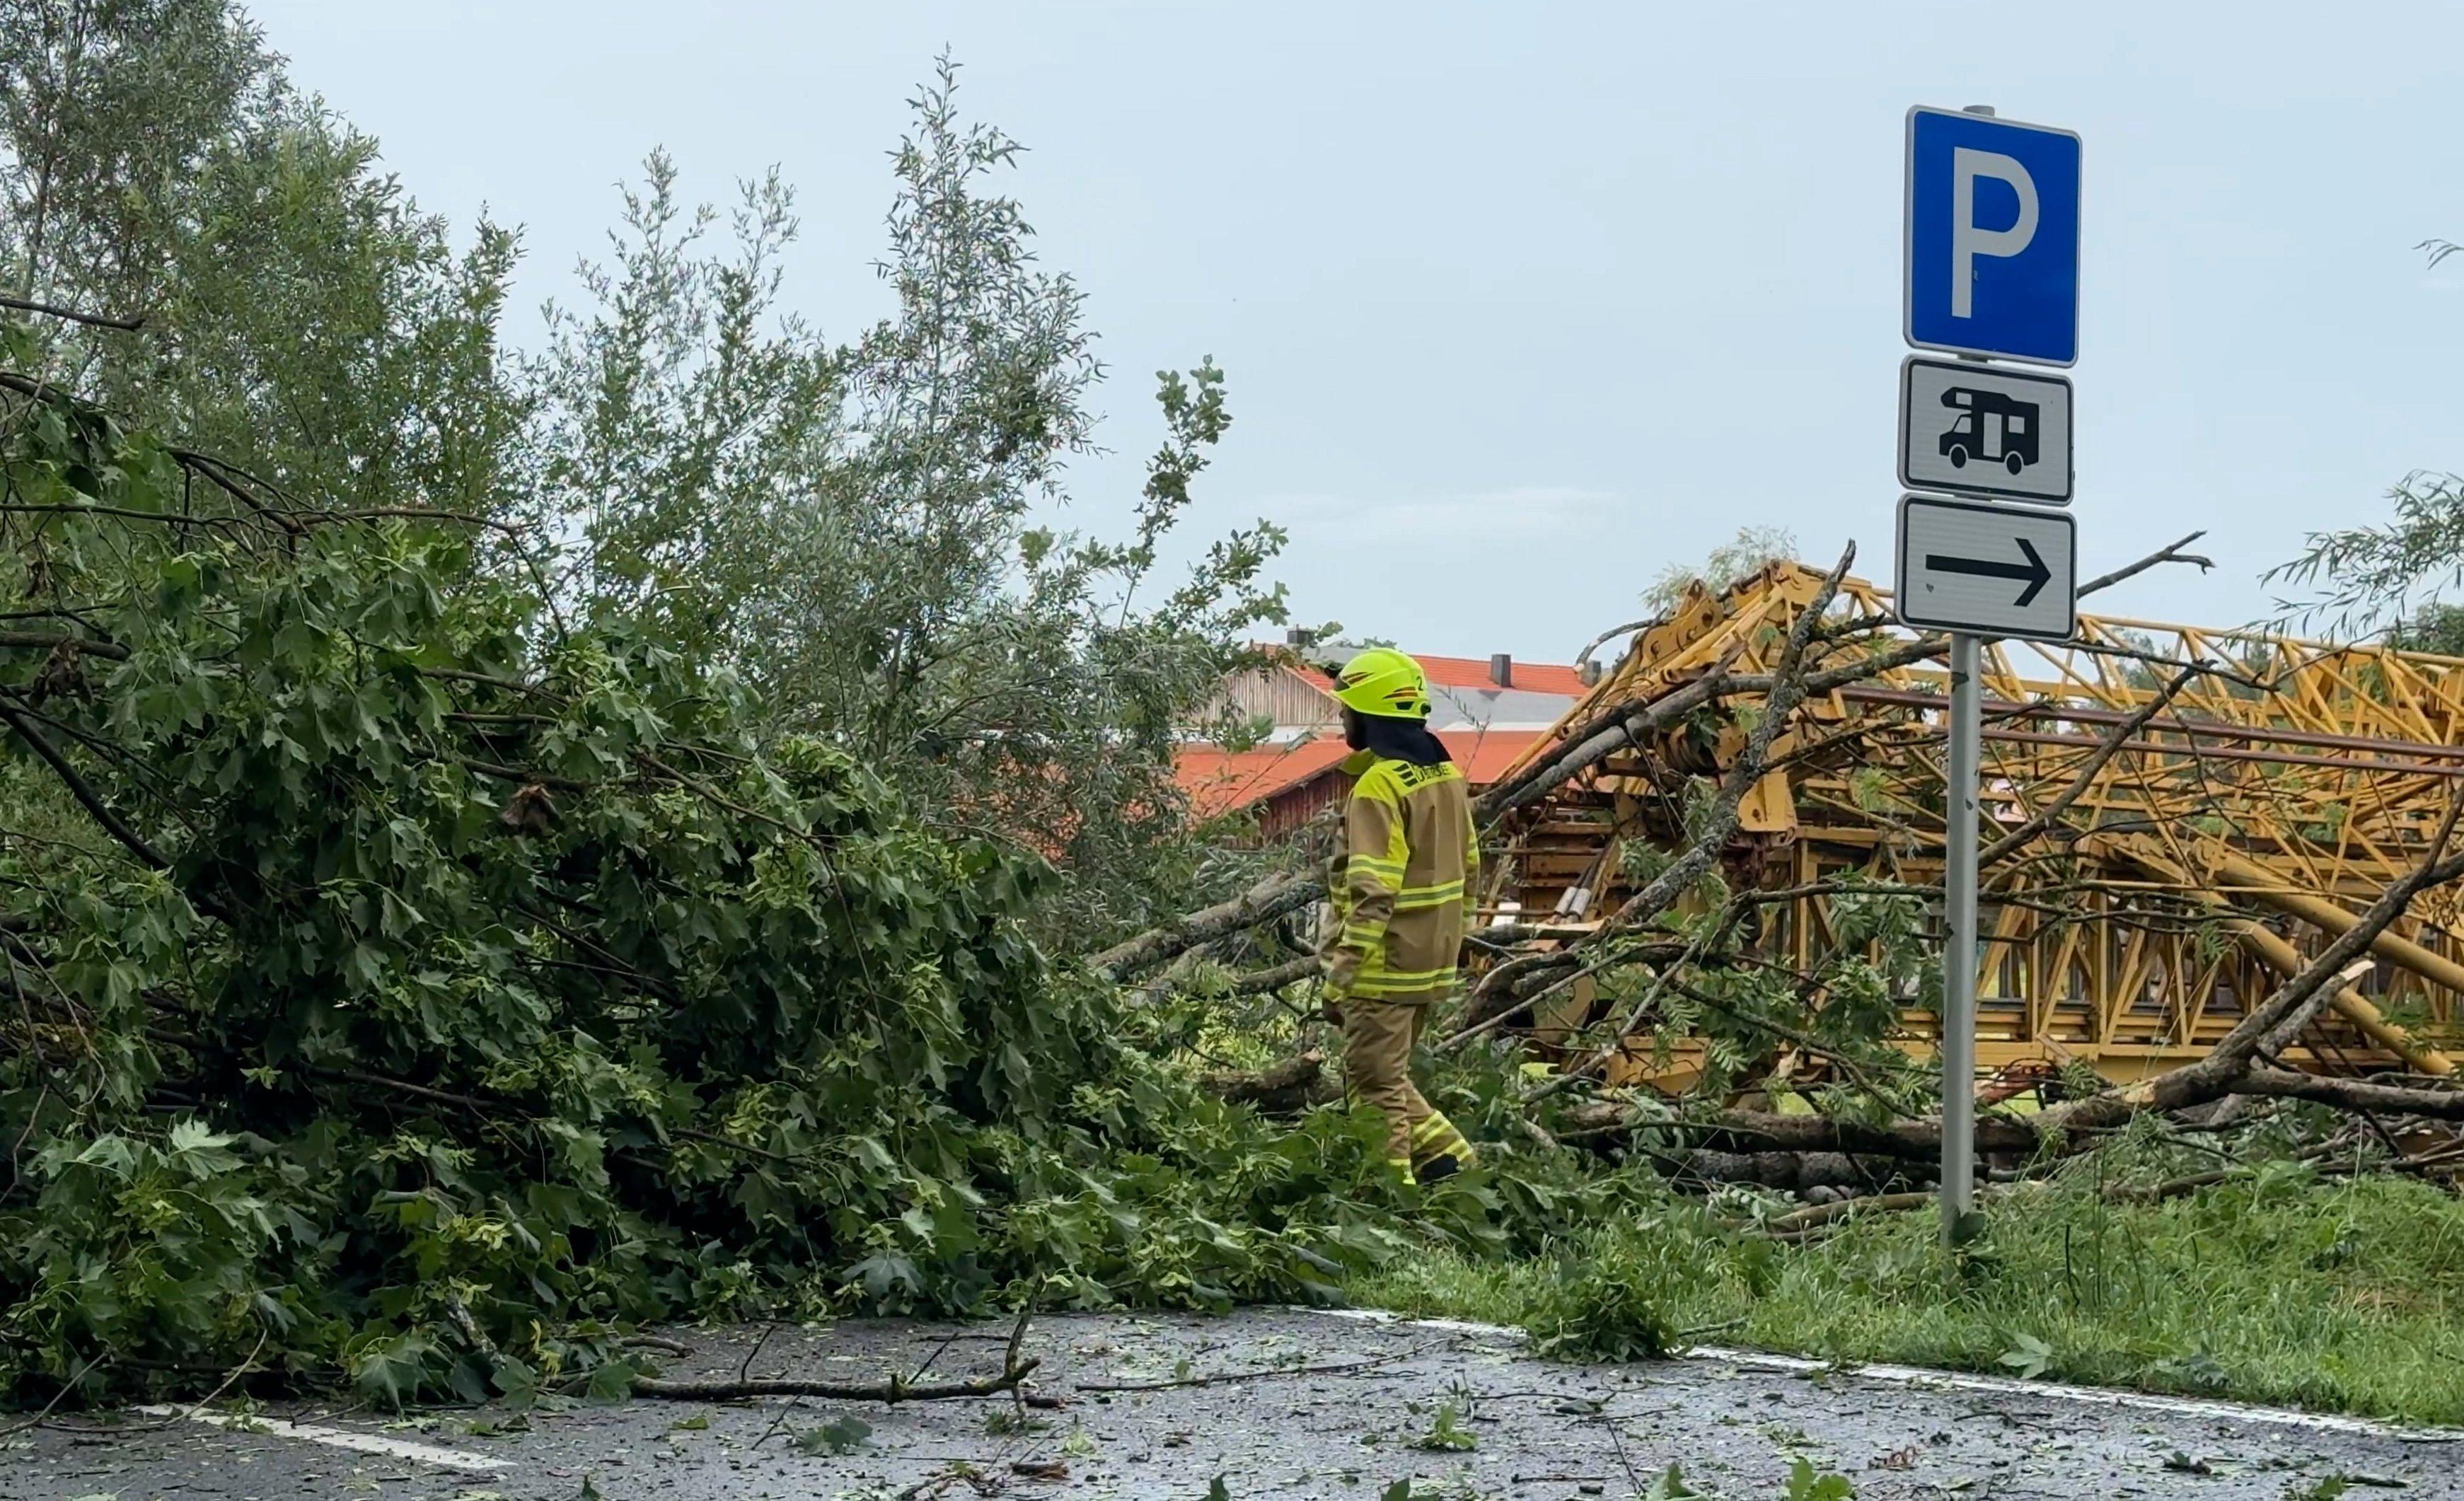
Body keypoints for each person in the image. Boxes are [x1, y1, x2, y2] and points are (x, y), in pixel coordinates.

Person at [1319, 647, 1479, 1185]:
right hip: (1430, 963)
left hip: (1383, 968)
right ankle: (1447, 1165)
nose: (1342, 718)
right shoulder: (1446, 777)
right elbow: (1473, 867)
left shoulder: (1378, 787)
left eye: (1346, 709)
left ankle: (1391, 1196)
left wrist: (1341, 975)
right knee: (1388, 1077)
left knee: (1373, 1087)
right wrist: (1457, 943)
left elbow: (1371, 892)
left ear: (1367, 714)